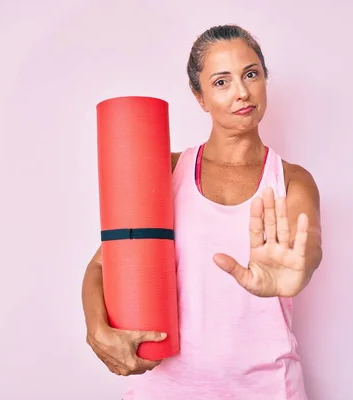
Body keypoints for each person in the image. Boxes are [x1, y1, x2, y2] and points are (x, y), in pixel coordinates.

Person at [81, 24, 322, 399]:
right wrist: (96, 329)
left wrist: (295, 273)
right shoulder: (166, 169)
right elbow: (102, 265)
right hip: (165, 389)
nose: (242, 92)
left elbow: (309, 250)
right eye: (221, 82)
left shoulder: (291, 180)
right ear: (200, 97)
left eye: (251, 74)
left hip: (268, 388)